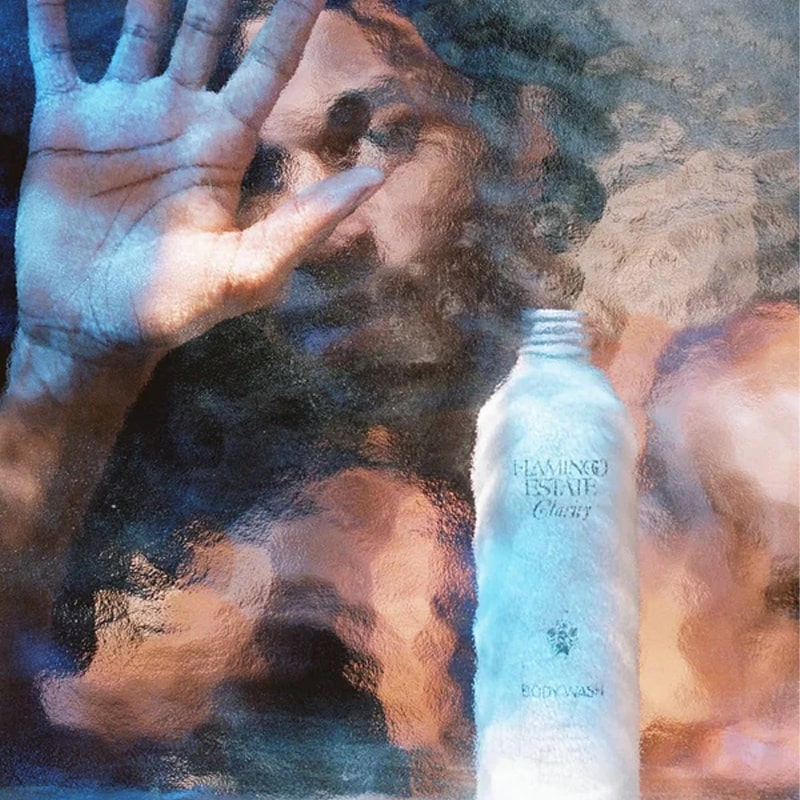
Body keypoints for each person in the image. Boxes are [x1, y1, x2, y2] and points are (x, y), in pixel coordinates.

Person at [1, 0, 797, 796]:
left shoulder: (731, 408)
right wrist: (67, 355)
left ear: (523, 131)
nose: (316, 227)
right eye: (260, 173)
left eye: (376, 136)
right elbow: (35, 744)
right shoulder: (308, 543)